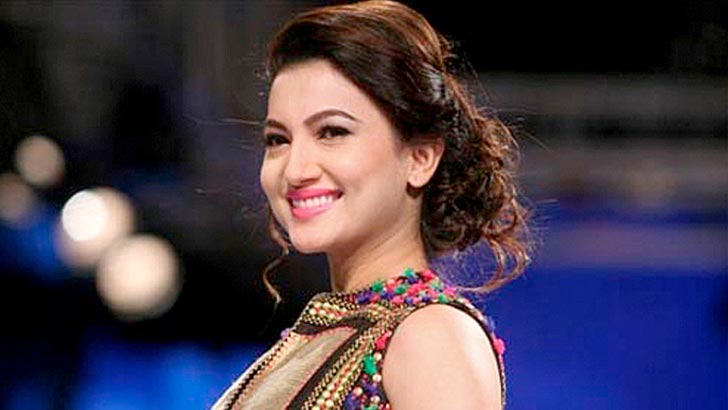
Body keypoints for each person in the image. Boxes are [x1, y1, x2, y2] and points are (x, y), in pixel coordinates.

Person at [212, 1, 533, 409]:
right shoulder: (319, 334)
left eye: (332, 132)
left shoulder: (429, 336)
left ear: (420, 158)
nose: (295, 170)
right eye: (278, 140)